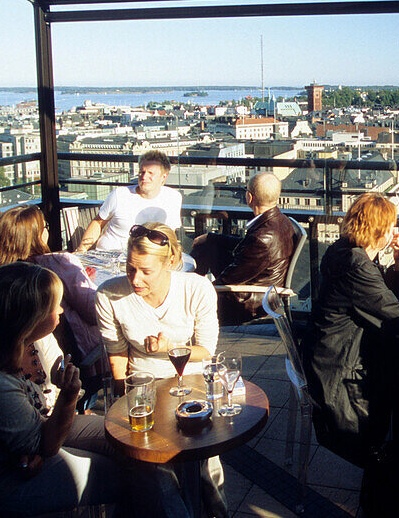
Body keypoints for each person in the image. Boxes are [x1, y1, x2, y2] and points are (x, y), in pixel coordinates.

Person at [0, 262, 189, 517]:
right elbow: (45, 445)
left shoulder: (32, 341)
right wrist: (69, 397)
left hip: (40, 429)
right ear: (30, 318)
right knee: (132, 474)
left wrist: (39, 440)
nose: (61, 310)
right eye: (53, 306)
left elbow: (40, 416)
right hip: (5, 481)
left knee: (142, 446)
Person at [95, 222, 223, 517]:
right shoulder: (109, 295)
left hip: (190, 379)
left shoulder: (196, 288)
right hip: (143, 385)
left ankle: (216, 509)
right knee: (157, 467)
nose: (135, 279)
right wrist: (123, 401)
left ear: (171, 264)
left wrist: (171, 350)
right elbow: (117, 355)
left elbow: (206, 350)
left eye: (146, 271)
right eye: (129, 269)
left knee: (202, 463)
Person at [302, 192, 399, 467]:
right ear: (380, 231)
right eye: (390, 227)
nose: (394, 231)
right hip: (339, 371)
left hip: (334, 354)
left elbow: (382, 300)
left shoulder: (344, 250)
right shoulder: (356, 265)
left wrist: (397, 262)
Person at [0, 205, 100, 361]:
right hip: (73, 359)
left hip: (5, 358)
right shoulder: (57, 264)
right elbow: (95, 312)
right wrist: (82, 280)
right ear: (38, 235)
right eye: (45, 226)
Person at [190, 172, 297, 324]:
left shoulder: (263, 238)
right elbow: (247, 245)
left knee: (193, 293)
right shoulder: (280, 221)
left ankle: (187, 299)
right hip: (257, 288)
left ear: (250, 197)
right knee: (206, 245)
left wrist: (200, 291)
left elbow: (228, 279)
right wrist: (210, 238)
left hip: (245, 302)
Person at [78, 150, 183, 252]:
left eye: (150, 173)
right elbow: (98, 222)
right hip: (110, 254)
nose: (144, 177)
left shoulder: (173, 198)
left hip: (147, 257)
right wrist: (81, 250)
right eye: (142, 172)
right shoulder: (119, 195)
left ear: (163, 177)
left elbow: (170, 233)